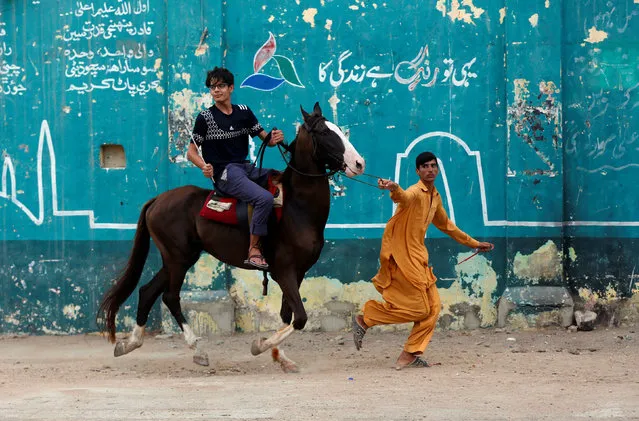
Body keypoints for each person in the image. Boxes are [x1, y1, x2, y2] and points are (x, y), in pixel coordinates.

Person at [352, 151, 494, 369]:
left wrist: (474, 244)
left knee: (434, 307)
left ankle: (409, 355)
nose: (430, 169)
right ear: (418, 171)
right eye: (425, 166)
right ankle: (366, 319)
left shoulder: (434, 196)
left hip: (419, 257)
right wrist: (393, 188)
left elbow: (447, 226)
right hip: (402, 257)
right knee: (420, 310)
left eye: (433, 166)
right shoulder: (415, 192)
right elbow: (403, 197)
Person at [187, 67, 284, 269]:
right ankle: (254, 250)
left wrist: (274, 138)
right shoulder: (205, 118)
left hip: (246, 168)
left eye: (221, 85)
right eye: (212, 87)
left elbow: (266, 139)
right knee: (264, 198)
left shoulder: (244, 112)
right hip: (225, 173)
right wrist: (204, 166)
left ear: (231, 88)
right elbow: (191, 152)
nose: (216, 90)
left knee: (282, 178)